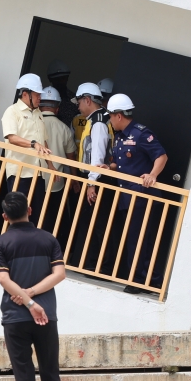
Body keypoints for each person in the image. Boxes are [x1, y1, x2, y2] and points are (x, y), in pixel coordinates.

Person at [0, 191, 70, 381]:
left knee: (24, 375)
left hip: (15, 318)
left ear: (4, 216)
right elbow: (60, 274)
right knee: (51, 374)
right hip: (46, 315)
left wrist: (25, 299)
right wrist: (35, 298)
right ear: (31, 210)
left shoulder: (1, 243)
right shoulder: (48, 240)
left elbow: (3, 279)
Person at [107, 94, 168, 294]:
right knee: (138, 238)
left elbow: (161, 156)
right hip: (127, 196)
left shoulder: (140, 133)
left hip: (141, 196)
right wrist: (108, 167)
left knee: (138, 238)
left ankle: (138, 280)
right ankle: (151, 280)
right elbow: (122, 164)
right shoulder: (119, 136)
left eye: (110, 116)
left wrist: (152, 175)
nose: (109, 120)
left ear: (118, 115)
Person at [71, 82, 114, 271]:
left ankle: (94, 266)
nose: (78, 106)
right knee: (95, 223)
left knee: (96, 224)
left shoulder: (98, 122)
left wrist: (91, 183)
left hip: (96, 178)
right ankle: (89, 264)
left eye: (79, 102)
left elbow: (97, 153)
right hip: (97, 177)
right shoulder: (102, 118)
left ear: (87, 100)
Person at [0, 73, 52, 225]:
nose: (39, 98)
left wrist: (50, 165)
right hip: (19, 171)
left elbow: (44, 142)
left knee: (36, 214)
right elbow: (12, 137)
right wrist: (33, 144)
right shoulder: (12, 111)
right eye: (36, 95)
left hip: (38, 171)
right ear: (25, 94)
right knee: (17, 214)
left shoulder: (38, 114)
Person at [39, 86, 77, 241]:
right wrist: (74, 179)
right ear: (57, 108)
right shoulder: (64, 129)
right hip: (56, 183)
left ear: (40, 105)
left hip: (33, 178)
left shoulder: (34, 124)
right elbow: (71, 158)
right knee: (52, 220)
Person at [46, 59, 78, 127]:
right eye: (57, 79)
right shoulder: (42, 98)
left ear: (67, 78)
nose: (60, 82)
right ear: (50, 79)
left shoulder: (75, 100)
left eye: (63, 78)